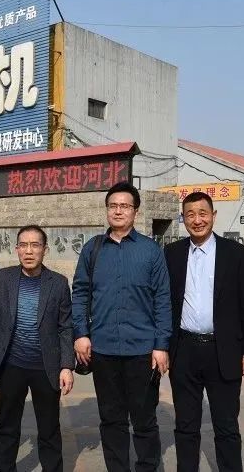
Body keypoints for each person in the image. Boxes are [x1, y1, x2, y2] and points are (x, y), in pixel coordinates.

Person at [72, 182, 171, 472]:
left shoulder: (151, 251)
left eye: (124, 206)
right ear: (107, 210)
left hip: (142, 351)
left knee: (144, 421)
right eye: (113, 205)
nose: (118, 211)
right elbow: (80, 293)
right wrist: (81, 333)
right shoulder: (92, 249)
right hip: (103, 350)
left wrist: (161, 345)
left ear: (135, 211)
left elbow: (162, 300)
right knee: (111, 420)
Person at [164, 192, 244, 472]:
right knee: (185, 426)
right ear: (183, 219)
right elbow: (164, 302)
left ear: (213, 216)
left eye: (203, 213)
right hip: (184, 351)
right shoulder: (172, 254)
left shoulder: (237, 254)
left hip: (224, 350)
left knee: (226, 426)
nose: (197, 220)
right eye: (190, 214)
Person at [0, 225, 74, 472]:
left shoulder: (58, 283)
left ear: (45, 249)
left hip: (46, 367)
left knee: (49, 427)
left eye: (35, 245)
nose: (29, 251)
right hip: (11, 365)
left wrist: (67, 366)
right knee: (7, 425)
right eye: (23, 245)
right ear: (16, 249)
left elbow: (66, 327)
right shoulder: (3, 279)